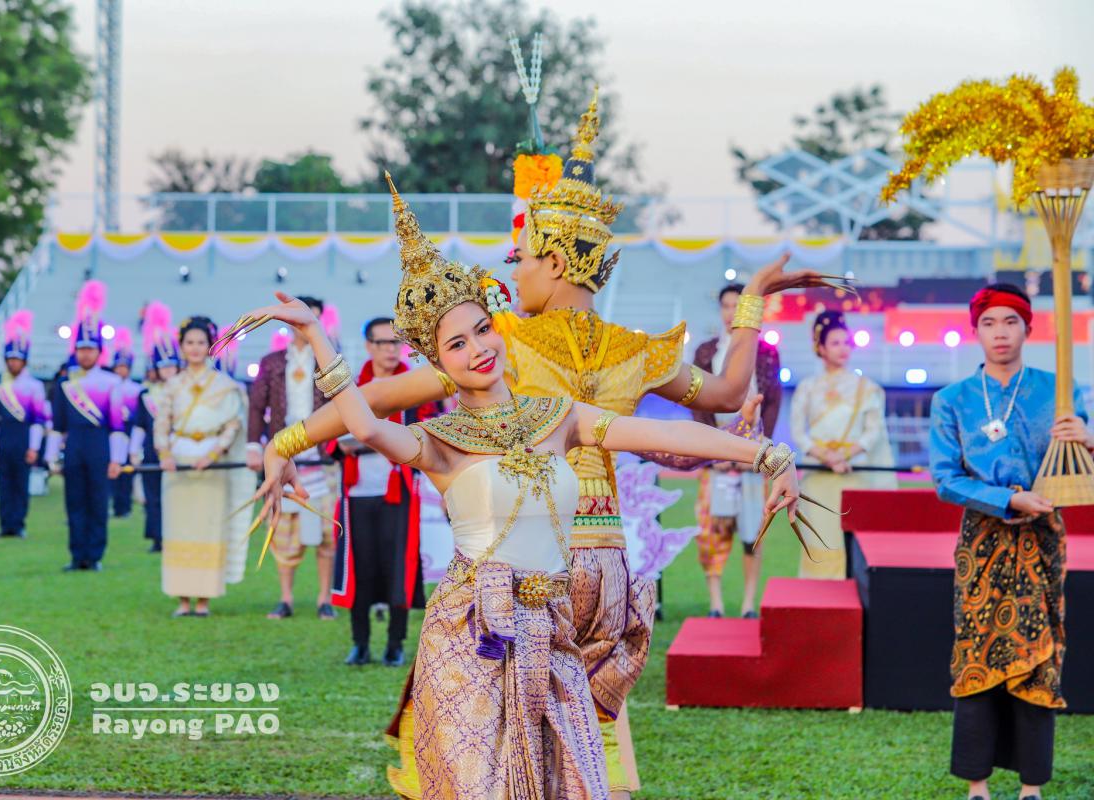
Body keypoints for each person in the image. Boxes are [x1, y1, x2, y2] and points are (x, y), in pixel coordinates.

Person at [250, 91, 831, 799]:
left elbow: (371, 406)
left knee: (526, 755)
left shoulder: (525, 369)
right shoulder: (624, 353)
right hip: (596, 569)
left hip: (543, 581)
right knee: (551, 750)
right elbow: (729, 394)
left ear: (553, 262)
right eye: (460, 341)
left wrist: (287, 440)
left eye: (520, 258)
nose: (511, 274)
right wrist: (755, 302)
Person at [930, 284, 1091, 800]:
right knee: (976, 649)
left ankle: (1031, 786)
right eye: (989, 323)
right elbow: (945, 479)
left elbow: (1083, 463)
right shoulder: (951, 400)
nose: (1000, 333)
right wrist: (1006, 499)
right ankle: (977, 784)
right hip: (982, 539)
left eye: (1010, 322)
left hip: (1043, 538)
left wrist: (1088, 439)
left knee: (1041, 651)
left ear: (1028, 328)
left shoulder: (1062, 391)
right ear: (975, 331)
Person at [331, 316, 437, 665]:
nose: (391, 349)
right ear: (369, 346)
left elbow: (427, 432)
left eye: (396, 342)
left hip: (399, 490)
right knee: (359, 569)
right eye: (383, 342)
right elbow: (332, 436)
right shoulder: (350, 387)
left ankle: (395, 643)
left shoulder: (416, 387)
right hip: (357, 491)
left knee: (397, 568)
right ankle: (359, 642)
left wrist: (370, 440)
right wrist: (375, 440)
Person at [692, 283, 783, 617]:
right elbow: (697, 403)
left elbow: (772, 402)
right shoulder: (706, 352)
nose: (732, 313)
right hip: (715, 454)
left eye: (738, 307)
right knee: (710, 530)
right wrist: (711, 451)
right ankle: (716, 603)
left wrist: (758, 451)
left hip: (751, 456)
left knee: (753, 531)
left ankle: (748, 603)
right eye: (727, 306)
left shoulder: (766, 353)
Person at [246, 299, 340, 621]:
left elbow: (343, 402)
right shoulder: (272, 362)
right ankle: (285, 598)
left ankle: (324, 599)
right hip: (283, 457)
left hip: (322, 458)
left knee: (326, 533)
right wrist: (253, 446)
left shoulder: (329, 360)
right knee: (282, 531)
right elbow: (256, 406)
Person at [152, 316, 249, 617]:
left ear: (210, 346)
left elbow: (234, 423)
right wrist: (164, 454)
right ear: (182, 347)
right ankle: (183, 600)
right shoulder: (171, 385)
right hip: (179, 461)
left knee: (210, 527)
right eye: (190, 343)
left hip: (212, 463)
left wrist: (215, 453)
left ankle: (204, 600)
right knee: (178, 528)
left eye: (201, 342)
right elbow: (162, 422)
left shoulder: (225, 385)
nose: (195, 348)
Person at [789, 310, 896, 579]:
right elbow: (798, 433)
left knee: (853, 541)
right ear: (821, 348)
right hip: (817, 476)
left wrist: (844, 455)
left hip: (854, 474)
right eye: (835, 343)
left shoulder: (866, 388)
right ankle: (817, 597)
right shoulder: (807, 387)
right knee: (819, 538)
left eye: (847, 342)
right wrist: (826, 457)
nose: (843, 348)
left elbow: (872, 432)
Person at [51, 280, 122, 572]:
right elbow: (57, 425)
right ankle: (76, 555)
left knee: (97, 502)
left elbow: (117, 426)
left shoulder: (111, 382)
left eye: (91, 349)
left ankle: (94, 555)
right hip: (75, 445)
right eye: (81, 349)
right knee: (74, 501)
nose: (85, 354)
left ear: (99, 351)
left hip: (99, 444)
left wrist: (117, 459)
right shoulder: (65, 383)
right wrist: (52, 457)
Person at [0, 311, 50, 539]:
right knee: (4, 482)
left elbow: (38, 420)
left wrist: (34, 447)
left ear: (24, 361)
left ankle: (19, 523)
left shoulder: (34, 386)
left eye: (17, 359)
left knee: (21, 483)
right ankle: (5, 525)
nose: (13, 363)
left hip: (24, 436)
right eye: (10, 359)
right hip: (5, 437)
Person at [131, 302, 180, 553]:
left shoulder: (185, 392)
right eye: (163, 367)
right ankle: (157, 537)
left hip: (179, 450)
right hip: (152, 450)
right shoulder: (146, 395)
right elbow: (140, 425)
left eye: (172, 366)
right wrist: (133, 451)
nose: (168, 371)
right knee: (153, 495)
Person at [109, 328, 141, 519]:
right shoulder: (108, 385)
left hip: (129, 431)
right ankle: (113, 504)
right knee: (112, 468)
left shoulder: (136, 389)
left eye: (124, 366)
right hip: (113, 432)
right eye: (118, 366)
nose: (121, 370)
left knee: (127, 470)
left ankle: (125, 506)